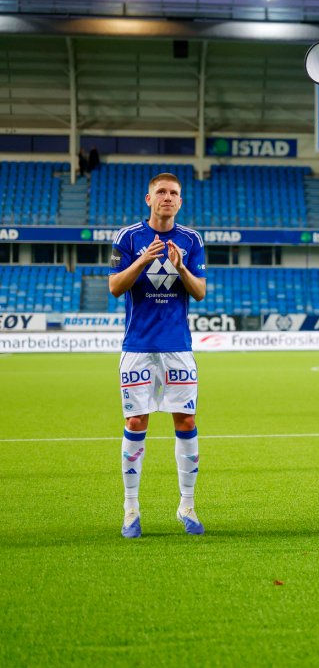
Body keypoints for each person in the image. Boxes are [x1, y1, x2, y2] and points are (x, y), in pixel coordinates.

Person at [108, 172, 207, 538]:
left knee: (185, 421)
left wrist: (180, 266)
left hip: (178, 349)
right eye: (161, 192)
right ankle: (131, 508)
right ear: (148, 199)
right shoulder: (128, 238)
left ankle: (187, 505)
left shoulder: (192, 240)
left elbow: (199, 292)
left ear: (180, 201)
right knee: (136, 424)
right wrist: (143, 260)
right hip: (138, 348)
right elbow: (115, 287)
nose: (168, 197)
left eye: (174, 193)